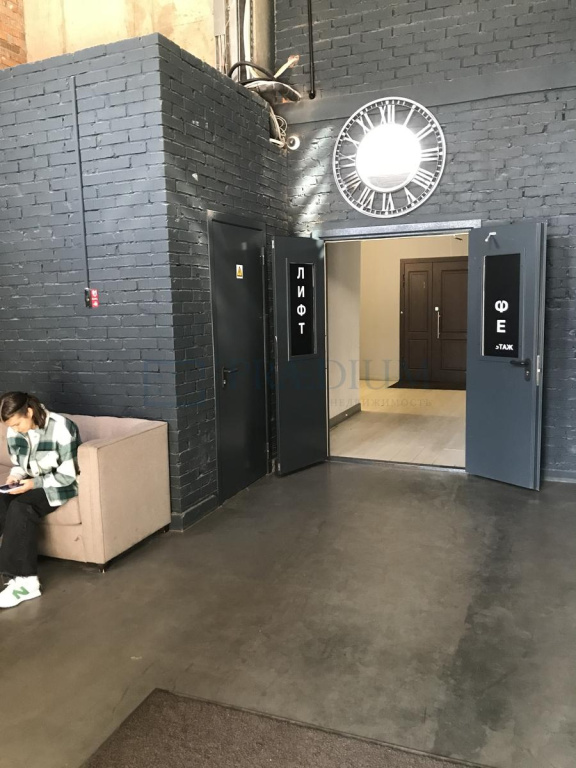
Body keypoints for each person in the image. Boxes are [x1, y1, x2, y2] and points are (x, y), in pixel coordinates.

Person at [0, 392, 80, 609]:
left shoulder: (62, 427)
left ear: (29, 412)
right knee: (2, 499)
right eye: (10, 426)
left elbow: (68, 475)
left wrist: (33, 484)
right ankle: (10, 574)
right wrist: (15, 477)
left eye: (17, 424)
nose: (14, 430)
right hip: (31, 481)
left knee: (22, 507)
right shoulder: (14, 430)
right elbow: (19, 464)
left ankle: (27, 582)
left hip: (60, 485)